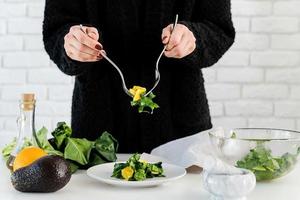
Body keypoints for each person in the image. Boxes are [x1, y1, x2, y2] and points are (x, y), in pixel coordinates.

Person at [43, 0, 235, 153]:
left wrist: (195, 38)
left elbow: (219, 28)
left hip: (181, 128)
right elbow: (56, 29)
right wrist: (71, 44)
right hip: (98, 127)